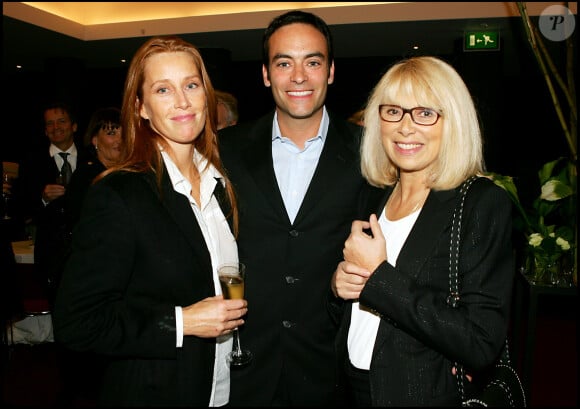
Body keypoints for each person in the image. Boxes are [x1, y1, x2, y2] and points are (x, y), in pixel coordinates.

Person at [53, 35, 245, 407]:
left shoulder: (221, 186)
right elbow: (77, 322)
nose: (182, 101)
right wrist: (182, 323)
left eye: (191, 85)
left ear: (207, 96)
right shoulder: (120, 194)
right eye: (163, 89)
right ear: (141, 108)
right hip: (156, 391)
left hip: (221, 386)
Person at [329, 56, 515, 406]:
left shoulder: (479, 203)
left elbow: (480, 340)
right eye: (393, 111)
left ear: (453, 122)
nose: (405, 127)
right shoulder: (374, 194)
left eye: (425, 113)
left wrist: (378, 276)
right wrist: (339, 287)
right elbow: (356, 316)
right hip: (351, 388)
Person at [218, 10, 368, 407]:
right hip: (245, 363)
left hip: (331, 364)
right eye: (284, 63)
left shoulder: (370, 152)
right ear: (266, 74)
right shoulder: (226, 150)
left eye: (312, 62)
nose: (298, 76)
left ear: (331, 71)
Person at [13, 101, 87, 304]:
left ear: (74, 126)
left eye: (62, 121)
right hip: (51, 255)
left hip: (88, 251)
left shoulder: (91, 158)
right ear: (45, 131)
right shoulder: (31, 162)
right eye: (50, 124)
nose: (56, 128)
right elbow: (19, 208)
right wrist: (43, 199)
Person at [64, 106, 126, 231]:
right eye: (111, 133)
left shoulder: (131, 173)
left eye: (124, 134)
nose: (120, 140)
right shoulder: (86, 176)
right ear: (95, 140)